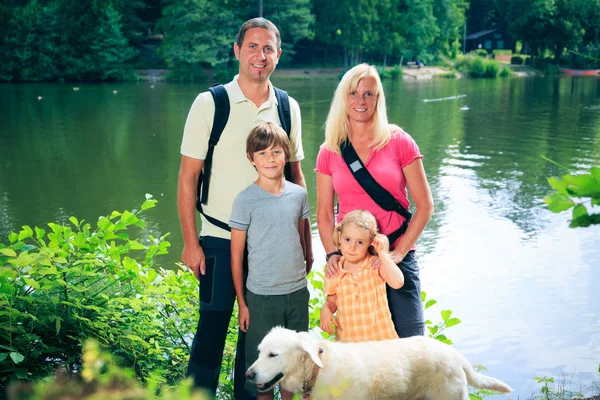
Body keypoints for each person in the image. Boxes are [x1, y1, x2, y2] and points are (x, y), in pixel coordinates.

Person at [177, 17, 312, 399]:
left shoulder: (288, 107)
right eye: (252, 46)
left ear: (278, 55)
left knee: (257, 343)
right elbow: (188, 177)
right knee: (211, 332)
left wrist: (305, 242)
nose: (260, 55)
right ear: (237, 51)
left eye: (268, 48)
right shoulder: (211, 103)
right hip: (219, 240)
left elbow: (297, 179)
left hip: (273, 248)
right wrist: (191, 243)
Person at [315, 63, 434, 339]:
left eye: (369, 94)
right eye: (353, 93)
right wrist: (334, 254)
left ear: (378, 99)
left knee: (411, 345)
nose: (360, 101)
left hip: (394, 256)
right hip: (353, 260)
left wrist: (399, 252)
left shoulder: (399, 141)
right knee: (360, 351)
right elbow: (323, 213)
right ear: (343, 97)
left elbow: (425, 206)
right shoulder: (330, 150)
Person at [230, 122, 310, 400]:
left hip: (297, 294)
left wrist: (307, 261)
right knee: (263, 378)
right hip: (261, 298)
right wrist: (242, 302)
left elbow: (301, 236)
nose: (270, 159)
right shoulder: (245, 200)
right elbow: (236, 255)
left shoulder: (298, 194)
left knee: (294, 371)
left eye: (276, 152)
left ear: (286, 154)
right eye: (261, 153)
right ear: (251, 158)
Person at [320, 210, 404, 342]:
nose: (352, 247)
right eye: (347, 240)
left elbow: (398, 282)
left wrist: (382, 253)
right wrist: (326, 309)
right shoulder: (335, 271)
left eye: (360, 242)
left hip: (381, 343)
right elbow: (332, 301)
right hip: (350, 346)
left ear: (371, 242)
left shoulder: (376, 266)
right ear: (340, 237)